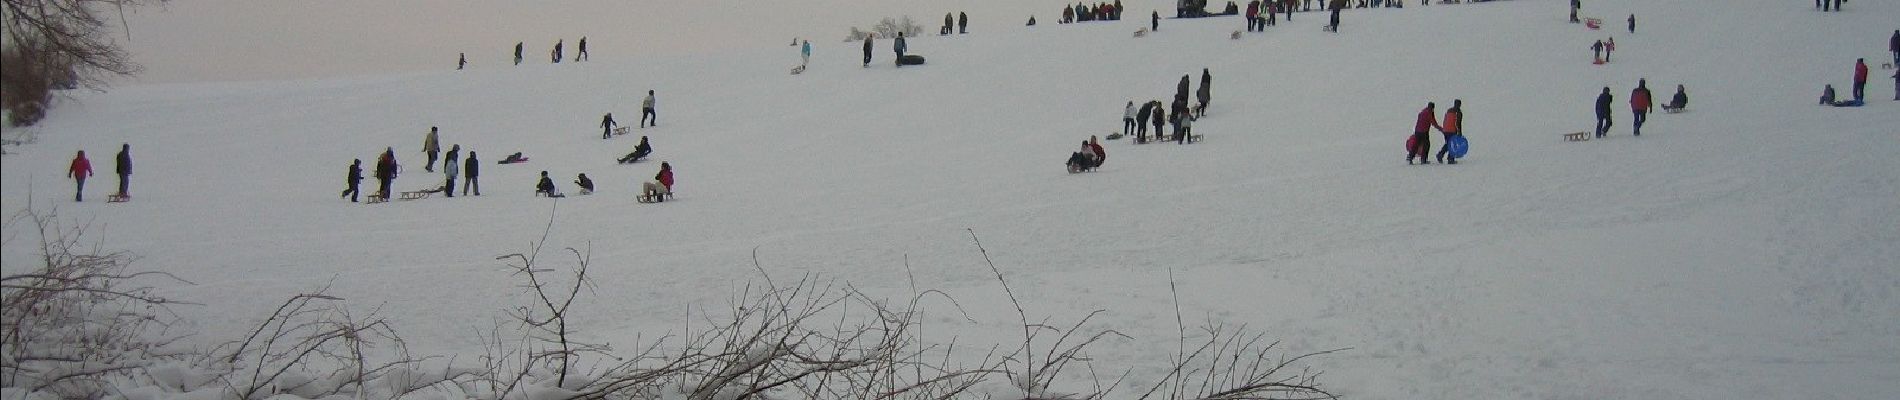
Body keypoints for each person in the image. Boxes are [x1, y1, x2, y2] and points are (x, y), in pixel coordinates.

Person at [1437, 100, 1463, 164]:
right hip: (1452, 130)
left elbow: (1445, 120)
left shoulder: (1449, 110)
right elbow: (1458, 123)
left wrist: (1444, 129)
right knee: (1452, 144)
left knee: (1448, 143)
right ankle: (1450, 158)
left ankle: (1441, 155)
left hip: (1446, 130)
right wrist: (1459, 132)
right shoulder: (1458, 112)